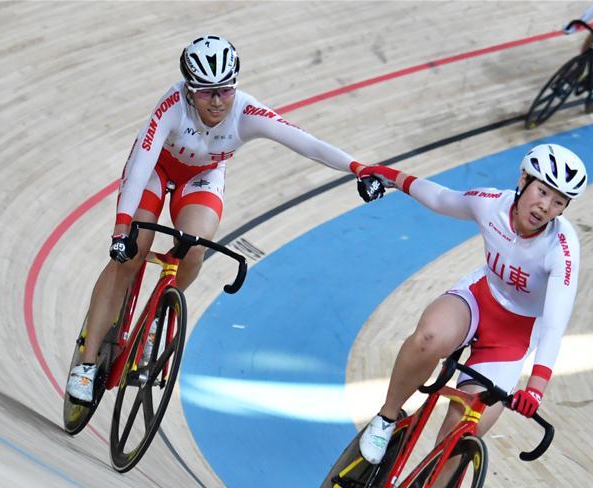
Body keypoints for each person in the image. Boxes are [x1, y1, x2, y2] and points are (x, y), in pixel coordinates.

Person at [67, 35, 368, 402]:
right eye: (206, 92)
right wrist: (121, 229)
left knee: (193, 250)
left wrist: (358, 168)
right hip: (156, 170)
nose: (217, 101)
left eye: (224, 91)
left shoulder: (246, 112)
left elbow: (307, 143)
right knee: (132, 254)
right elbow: (140, 163)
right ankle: (86, 360)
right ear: (189, 90)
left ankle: (155, 323)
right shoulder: (172, 106)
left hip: (202, 177)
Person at [352, 143, 587, 488]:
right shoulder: (491, 205)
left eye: (558, 201)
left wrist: (535, 386)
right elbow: (440, 198)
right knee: (429, 338)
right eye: (542, 192)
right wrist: (386, 174)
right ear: (523, 181)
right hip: (477, 301)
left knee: (463, 438)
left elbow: (555, 323)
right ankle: (385, 419)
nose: (546, 206)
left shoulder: (563, 248)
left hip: (511, 341)